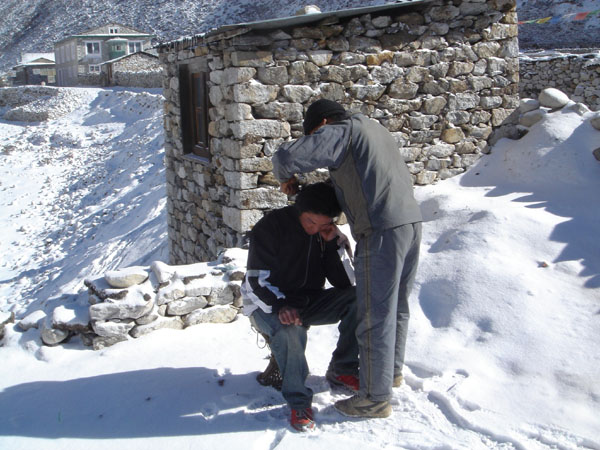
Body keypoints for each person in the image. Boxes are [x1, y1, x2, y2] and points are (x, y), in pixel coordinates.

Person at [271, 99, 423, 419]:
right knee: (396, 307)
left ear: (323, 123)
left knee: (374, 314)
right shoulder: (373, 130)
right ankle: (389, 375)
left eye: (314, 134)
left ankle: (374, 398)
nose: (316, 140)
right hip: (410, 223)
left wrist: (286, 178)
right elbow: (353, 183)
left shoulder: (341, 131)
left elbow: (285, 156)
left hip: (381, 230)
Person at [242, 182, 359, 431]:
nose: (313, 229)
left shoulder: (327, 233)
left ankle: (343, 367)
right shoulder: (271, 227)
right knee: (290, 329)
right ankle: (298, 400)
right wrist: (281, 305)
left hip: (308, 301)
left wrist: (331, 244)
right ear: (299, 210)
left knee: (359, 299)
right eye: (310, 222)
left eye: (322, 224)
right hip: (265, 303)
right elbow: (256, 281)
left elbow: (345, 283)